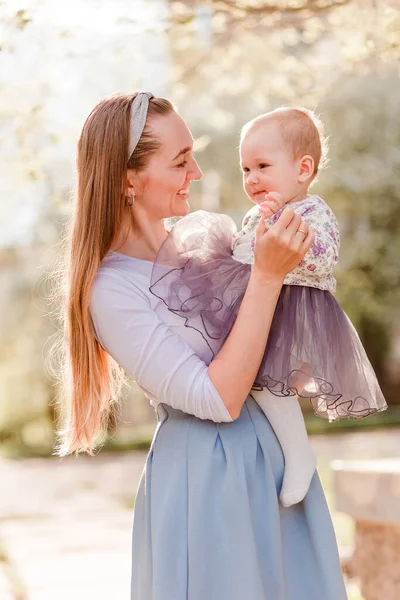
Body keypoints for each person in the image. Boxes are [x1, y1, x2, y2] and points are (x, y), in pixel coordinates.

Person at [57, 92, 348, 599]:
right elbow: (217, 398)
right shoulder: (113, 290)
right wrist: (267, 274)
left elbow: (275, 347)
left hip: (277, 466)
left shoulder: (203, 247)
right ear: (129, 179)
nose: (196, 171)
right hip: (207, 482)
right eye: (179, 161)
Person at [150, 106, 387, 510]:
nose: (252, 178)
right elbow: (248, 258)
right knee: (237, 365)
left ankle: (300, 457)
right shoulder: (254, 213)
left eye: (261, 165)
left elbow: (322, 258)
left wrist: (277, 232)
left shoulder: (313, 212)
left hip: (296, 311)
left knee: (266, 384)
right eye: (245, 170)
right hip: (262, 308)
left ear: (302, 168)